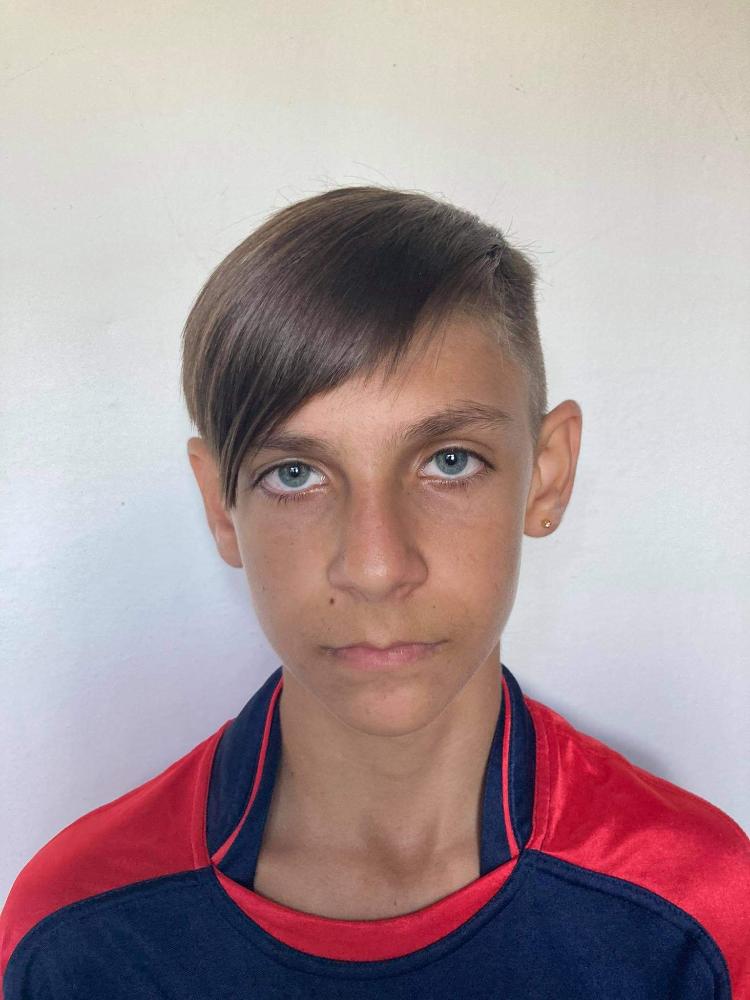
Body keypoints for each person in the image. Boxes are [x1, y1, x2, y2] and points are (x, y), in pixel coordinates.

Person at [1, 186, 748, 1000]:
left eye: (450, 461)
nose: (376, 567)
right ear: (220, 506)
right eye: (296, 474)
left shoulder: (702, 916)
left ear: (546, 474)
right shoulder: (75, 933)